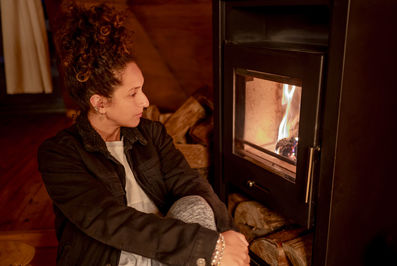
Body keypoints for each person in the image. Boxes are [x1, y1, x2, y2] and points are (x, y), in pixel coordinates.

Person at [37, 3, 250, 266]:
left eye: (142, 89)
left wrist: (230, 237)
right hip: (113, 256)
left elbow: (191, 184)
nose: (146, 101)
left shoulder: (151, 133)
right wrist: (211, 247)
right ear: (99, 103)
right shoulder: (59, 154)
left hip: (169, 250)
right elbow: (110, 221)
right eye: (133, 93)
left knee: (195, 202)